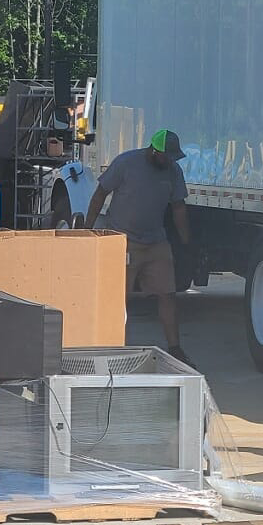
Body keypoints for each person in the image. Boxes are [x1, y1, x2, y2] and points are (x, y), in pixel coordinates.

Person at [85, 129, 195, 367]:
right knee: (117, 298)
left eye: (173, 157)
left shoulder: (173, 171)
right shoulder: (126, 163)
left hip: (156, 242)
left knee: (167, 294)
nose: (170, 161)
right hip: (123, 241)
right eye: (167, 156)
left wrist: (187, 243)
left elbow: (178, 208)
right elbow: (100, 194)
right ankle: (112, 350)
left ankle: (175, 349)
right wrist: (87, 229)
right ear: (154, 151)